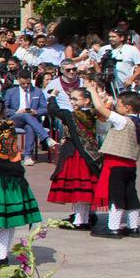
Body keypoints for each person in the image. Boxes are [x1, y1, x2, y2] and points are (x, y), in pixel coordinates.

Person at [0, 102, 43, 266]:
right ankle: (0, 252)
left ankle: (0, 255)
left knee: (1, 217)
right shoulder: (9, 124)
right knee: (8, 217)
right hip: (14, 173)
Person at [86, 85, 140, 238]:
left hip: (116, 164)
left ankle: (114, 228)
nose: (117, 106)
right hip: (130, 164)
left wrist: (92, 90)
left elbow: (99, 108)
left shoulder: (122, 121)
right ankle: (133, 227)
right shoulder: (137, 121)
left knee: (115, 196)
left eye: (120, 104)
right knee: (130, 195)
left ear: (128, 107)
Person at [46, 87, 99, 229]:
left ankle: (81, 220)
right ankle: (87, 215)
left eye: (75, 99)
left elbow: (53, 110)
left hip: (76, 153)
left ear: (87, 101)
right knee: (87, 186)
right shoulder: (95, 113)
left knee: (79, 188)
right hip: (91, 153)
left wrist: (52, 97)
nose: (72, 101)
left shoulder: (71, 115)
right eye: (71, 98)